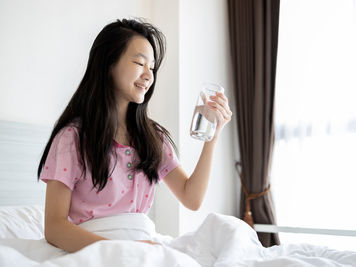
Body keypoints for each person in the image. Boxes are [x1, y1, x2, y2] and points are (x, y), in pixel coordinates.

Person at [37, 18, 232, 253]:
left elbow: (192, 199)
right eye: (140, 63)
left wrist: (213, 135)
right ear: (109, 63)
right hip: (95, 251)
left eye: (152, 67)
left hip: (144, 248)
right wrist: (120, 249)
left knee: (228, 234)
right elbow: (54, 227)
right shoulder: (73, 138)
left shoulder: (152, 137)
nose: (149, 75)